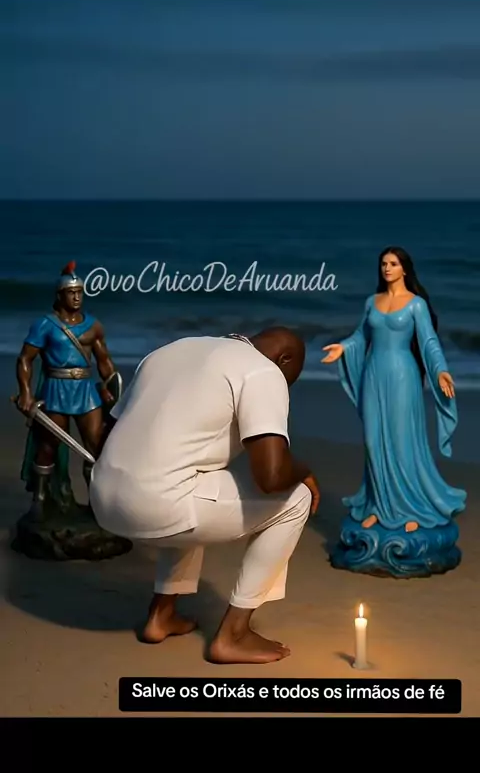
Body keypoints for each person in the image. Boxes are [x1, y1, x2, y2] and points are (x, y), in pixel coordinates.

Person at [90, 328, 320, 664]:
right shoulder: (262, 370)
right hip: (158, 507)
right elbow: (271, 478)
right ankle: (234, 635)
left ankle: (161, 616)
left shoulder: (168, 351)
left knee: (191, 477)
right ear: (284, 360)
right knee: (296, 497)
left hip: (102, 498)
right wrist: (305, 471)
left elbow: (104, 437)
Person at [321, 246, 466, 533]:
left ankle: (411, 509)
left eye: (393, 263)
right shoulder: (372, 302)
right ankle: (379, 507)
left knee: (401, 441)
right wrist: (344, 347)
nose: (387, 268)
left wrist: (440, 370)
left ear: (405, 269)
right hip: (373, 375)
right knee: (373, 442)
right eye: (384, 263)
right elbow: (361, 336)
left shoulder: (416, 305)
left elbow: (429, 342)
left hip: (403, 377)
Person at [15, 261, 121, 518]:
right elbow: (25, 359)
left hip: (85, 391)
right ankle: (40, 500)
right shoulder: (45, 325)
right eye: (71, 292)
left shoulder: (93, 326)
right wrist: (26, 392)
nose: (76, 297)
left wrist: (112, 387)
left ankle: (96, 502)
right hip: (56, 390)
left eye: (80, 292)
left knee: (96, 446)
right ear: (60, 295)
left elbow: (104, 361)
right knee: (48, 445)